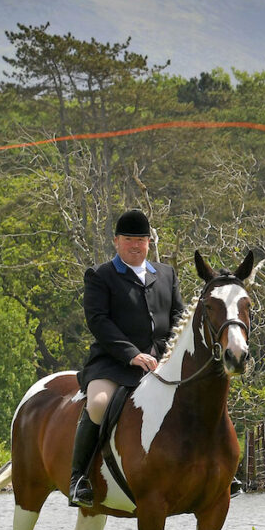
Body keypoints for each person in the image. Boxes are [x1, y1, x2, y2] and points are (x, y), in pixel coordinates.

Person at [70, 208, 182, 506]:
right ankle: (79, 478)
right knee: (98, 405)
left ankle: (220, 472)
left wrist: (169, 354)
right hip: (113, 363)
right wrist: (132, 354)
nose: (136, 245)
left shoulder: (167, 274)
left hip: (160, 364)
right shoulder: (100, 276)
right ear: (116, 241)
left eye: (142, 239)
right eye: (129, 239)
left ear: (149, 242)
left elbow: (178, 318)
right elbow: (98, 321)